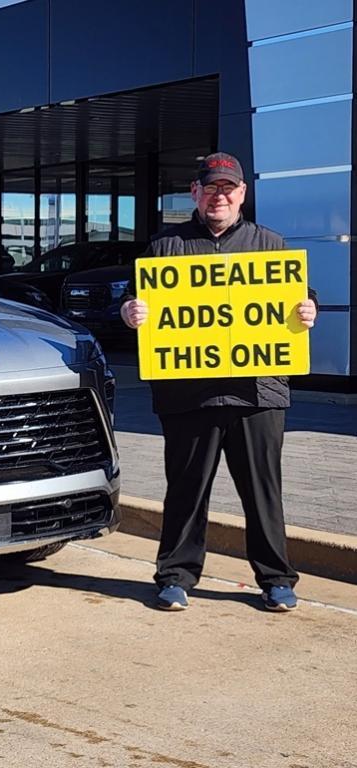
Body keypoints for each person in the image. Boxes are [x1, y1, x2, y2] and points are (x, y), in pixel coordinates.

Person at [120, 152, 318, 612]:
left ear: (242, 195)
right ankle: (175, 575)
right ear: (195, 193)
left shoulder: (270, 244)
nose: (219, 196)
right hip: (189, 393)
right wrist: (131, 312)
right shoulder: (164, 248)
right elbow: (136, 298)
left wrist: (307, 308)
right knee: (187, 488)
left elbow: (298, 294)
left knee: (263, 491)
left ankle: (276, 579)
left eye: (228, 189)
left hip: (258, 392)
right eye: (211, 188)